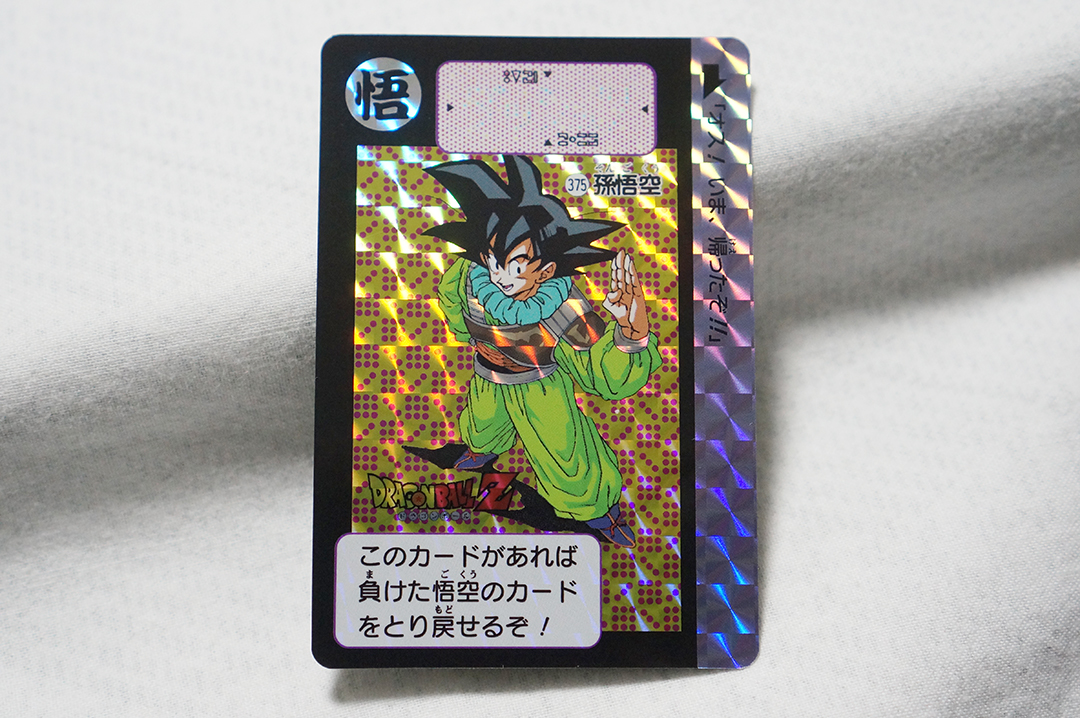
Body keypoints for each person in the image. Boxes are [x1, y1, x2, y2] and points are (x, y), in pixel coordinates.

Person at [423, 155, 662, 547]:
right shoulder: (469, 275)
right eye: (494, 260)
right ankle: (483, 451)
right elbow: (453, 301)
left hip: (539, 388)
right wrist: (469, 335)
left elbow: (599, 373)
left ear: (547, 270)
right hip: (487, 376)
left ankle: (599, 512)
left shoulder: (562, 305)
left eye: (516, 266)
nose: (500, 277)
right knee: (482, 425)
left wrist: (630, 334)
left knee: (567, 457)